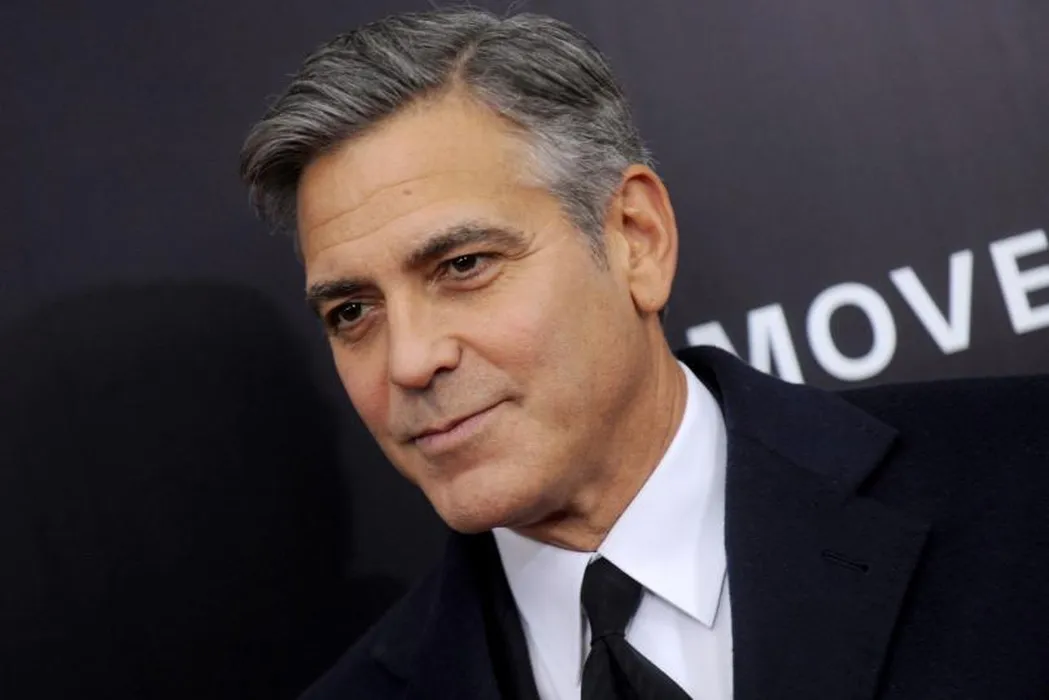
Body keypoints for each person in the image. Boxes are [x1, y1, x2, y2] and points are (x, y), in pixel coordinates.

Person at [239, 7, 1049, 700]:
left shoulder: (1022, 478)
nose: (409, 362)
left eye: (463, 266)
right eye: (352, 312)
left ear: (636, 239)